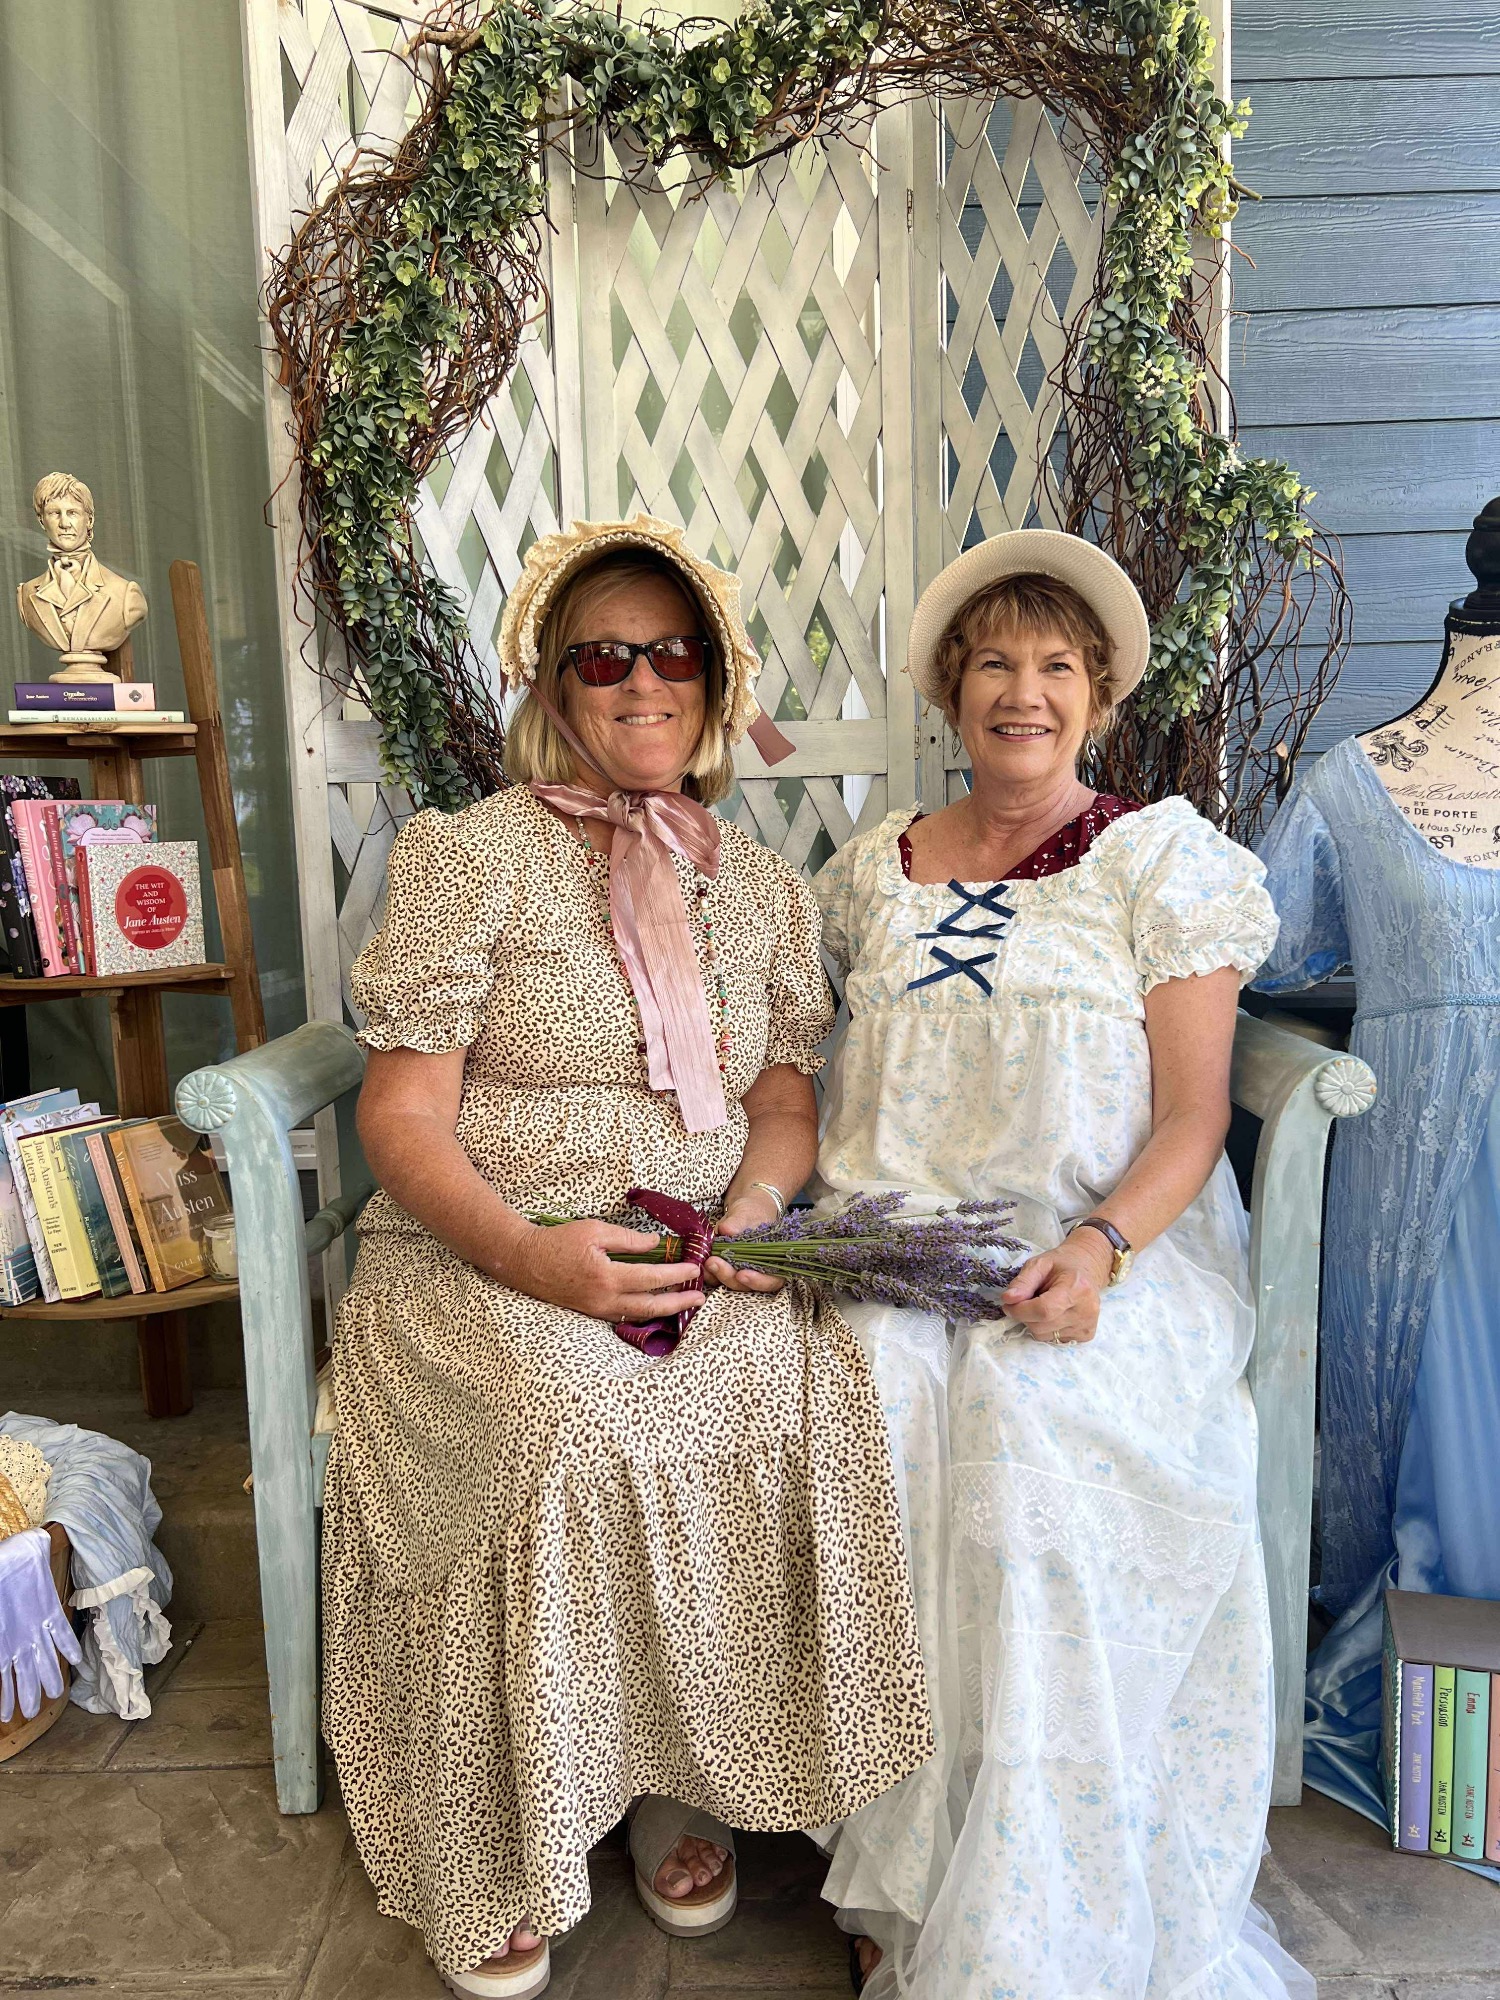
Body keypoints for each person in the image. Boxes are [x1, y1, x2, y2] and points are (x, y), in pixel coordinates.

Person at [321, 515, 931, 2000]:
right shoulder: (467, 859)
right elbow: (401, 1118)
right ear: (555, 684)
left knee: (798, 1390)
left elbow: (781, 1098)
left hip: (703, 1244)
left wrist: (762, 1214)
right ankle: (504, 1829)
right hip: (485, 1247)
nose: (644, 682)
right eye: (604, 657)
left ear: (715, 683)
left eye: (674, 654)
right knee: (567, 1415)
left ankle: (677, 1775)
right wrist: (538, 1261)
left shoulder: (759, 886)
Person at [809, 529, 1312, 2000]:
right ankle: (902, 1863)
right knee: (875, 1405)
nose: (1020, 692)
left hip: (1113, 1246)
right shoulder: (873, 876)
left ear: (1097, 695)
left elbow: (1195, 1115)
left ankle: (1032, 1893)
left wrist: (1097, 1250)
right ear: (950, 692)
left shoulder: (1161, 863)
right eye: (992, 664)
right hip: (897, 1247)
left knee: (1028, 1427)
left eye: (1054, 666)